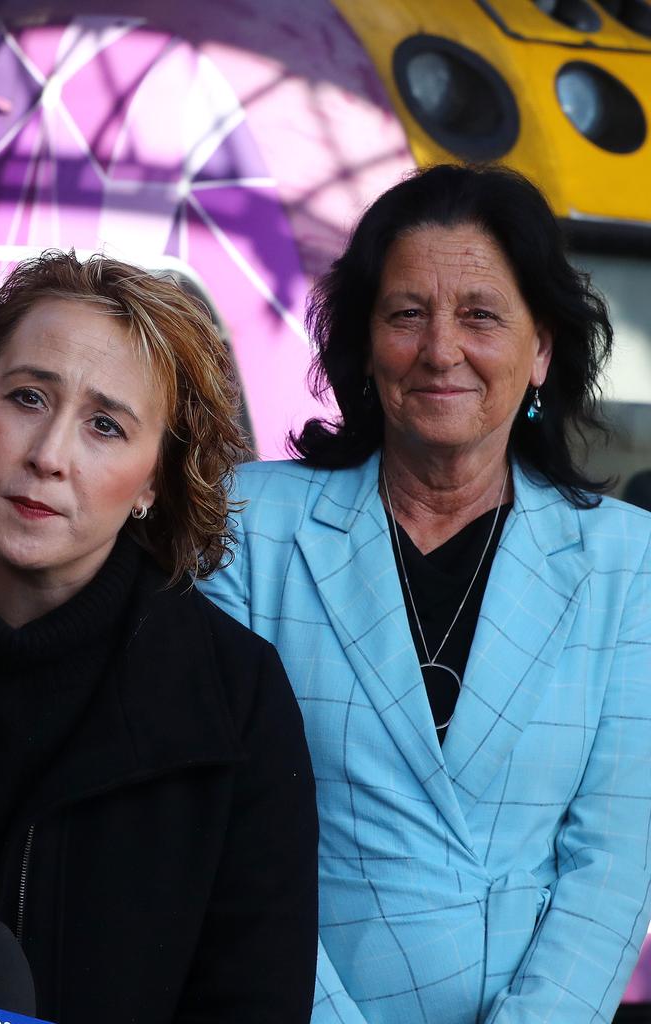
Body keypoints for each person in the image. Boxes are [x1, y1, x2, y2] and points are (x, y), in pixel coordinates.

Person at [200, 164, 651, 1024]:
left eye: (481, 314)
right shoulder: (253, 527)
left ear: (543, 349)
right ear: (366, 345)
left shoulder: (629, 564)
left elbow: (614, 867)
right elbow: (219, 832)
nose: (442, 349)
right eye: (407, 313)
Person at [0, 251, 318, 1023]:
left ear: (155, 478)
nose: (48, 456)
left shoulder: (235, 703)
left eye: (106, 425)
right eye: (25, 398)